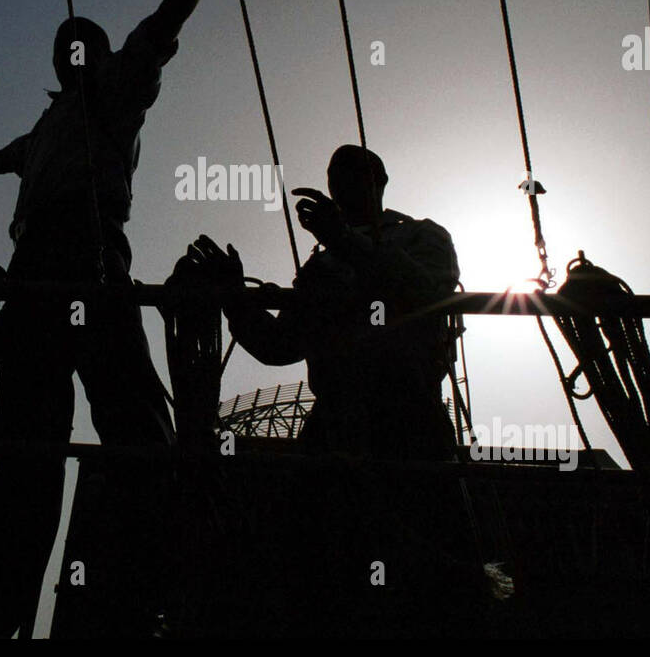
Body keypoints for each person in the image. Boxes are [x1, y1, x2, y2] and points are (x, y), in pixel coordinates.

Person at [0, 0, 278, 638]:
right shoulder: (48, 126)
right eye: (67, 46)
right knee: (26, 450)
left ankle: (175, 579)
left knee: (132, 424)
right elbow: (9, 155)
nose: (76, 51)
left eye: (85, 42)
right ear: (57, 64)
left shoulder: (120, 88)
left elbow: (174, 8)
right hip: (32, 275)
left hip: (92, 257)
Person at [190, 144, 461, 458]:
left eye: (353, 171)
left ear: (380, 179)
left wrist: (343, 239)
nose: (342, 182)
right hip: (334, 426)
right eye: (336, 175)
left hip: (410, 418)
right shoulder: (320, 265)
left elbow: (425, 292)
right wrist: (235, 297)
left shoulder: (421, 235)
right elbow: (279, 345)